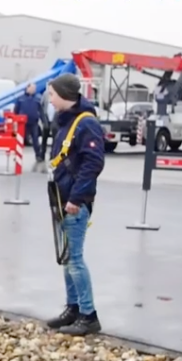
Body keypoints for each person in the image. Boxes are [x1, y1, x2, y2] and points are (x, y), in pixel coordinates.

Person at [43, 73, 105, 336]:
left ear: (66, 96)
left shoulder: (85, 124)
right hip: (61, 199)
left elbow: (93, 163)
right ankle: (74, 308)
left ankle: (89, 315)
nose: (50, 100)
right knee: (67, 259)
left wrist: (76, 198)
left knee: (75, 259)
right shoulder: (66, 122)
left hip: (73, 203)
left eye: (53, 95)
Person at [12, 83, 45, 172]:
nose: (34, 90)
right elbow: (16, 111)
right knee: (20, 140)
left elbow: (41, 111)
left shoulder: (37, 98)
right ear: (27, 88)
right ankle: (17, 155)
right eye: (32, 88)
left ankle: (38, 156)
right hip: (22, 123)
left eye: (35, 88)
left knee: (35, 140)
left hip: (34, 123)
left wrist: (44, 121)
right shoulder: (21, 98)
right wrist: (14, 121)